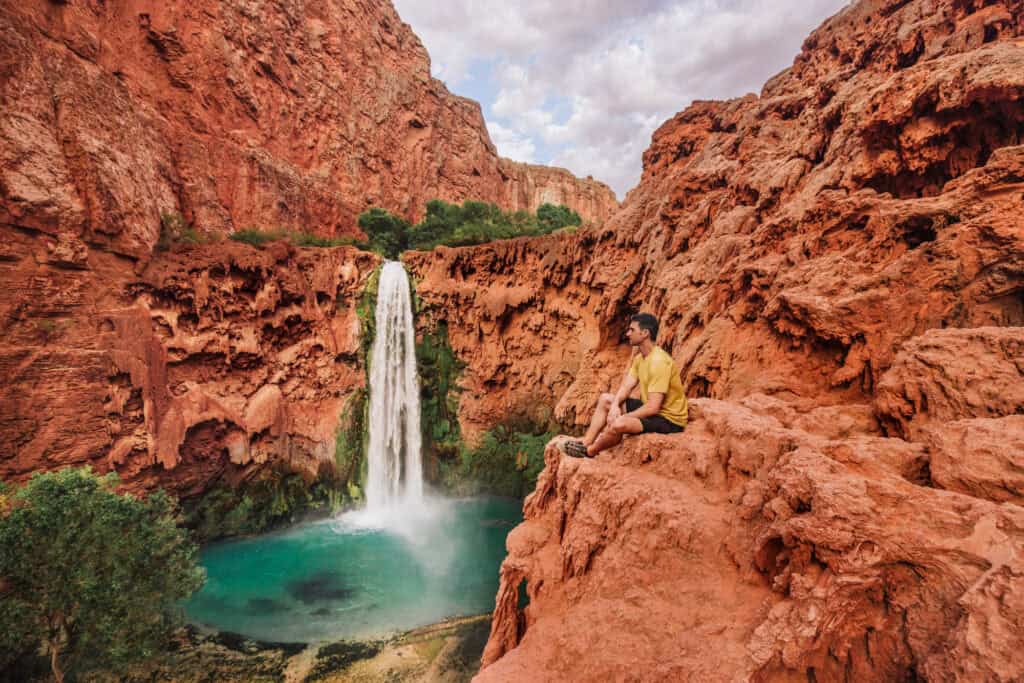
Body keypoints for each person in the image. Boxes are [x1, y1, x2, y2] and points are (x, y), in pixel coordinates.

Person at [560, 313, 688, 458]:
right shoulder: (641, 358)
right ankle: (586, 442)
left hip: (668, 420)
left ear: (645, 333)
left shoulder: (658, 362)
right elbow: (627, 386)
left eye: (632, 330)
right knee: (605, 399)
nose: (628, 334)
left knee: (619, 423)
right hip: (654, 410)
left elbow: (653, 407)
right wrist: (615, 406)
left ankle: (589, 452)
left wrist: (622, 416)